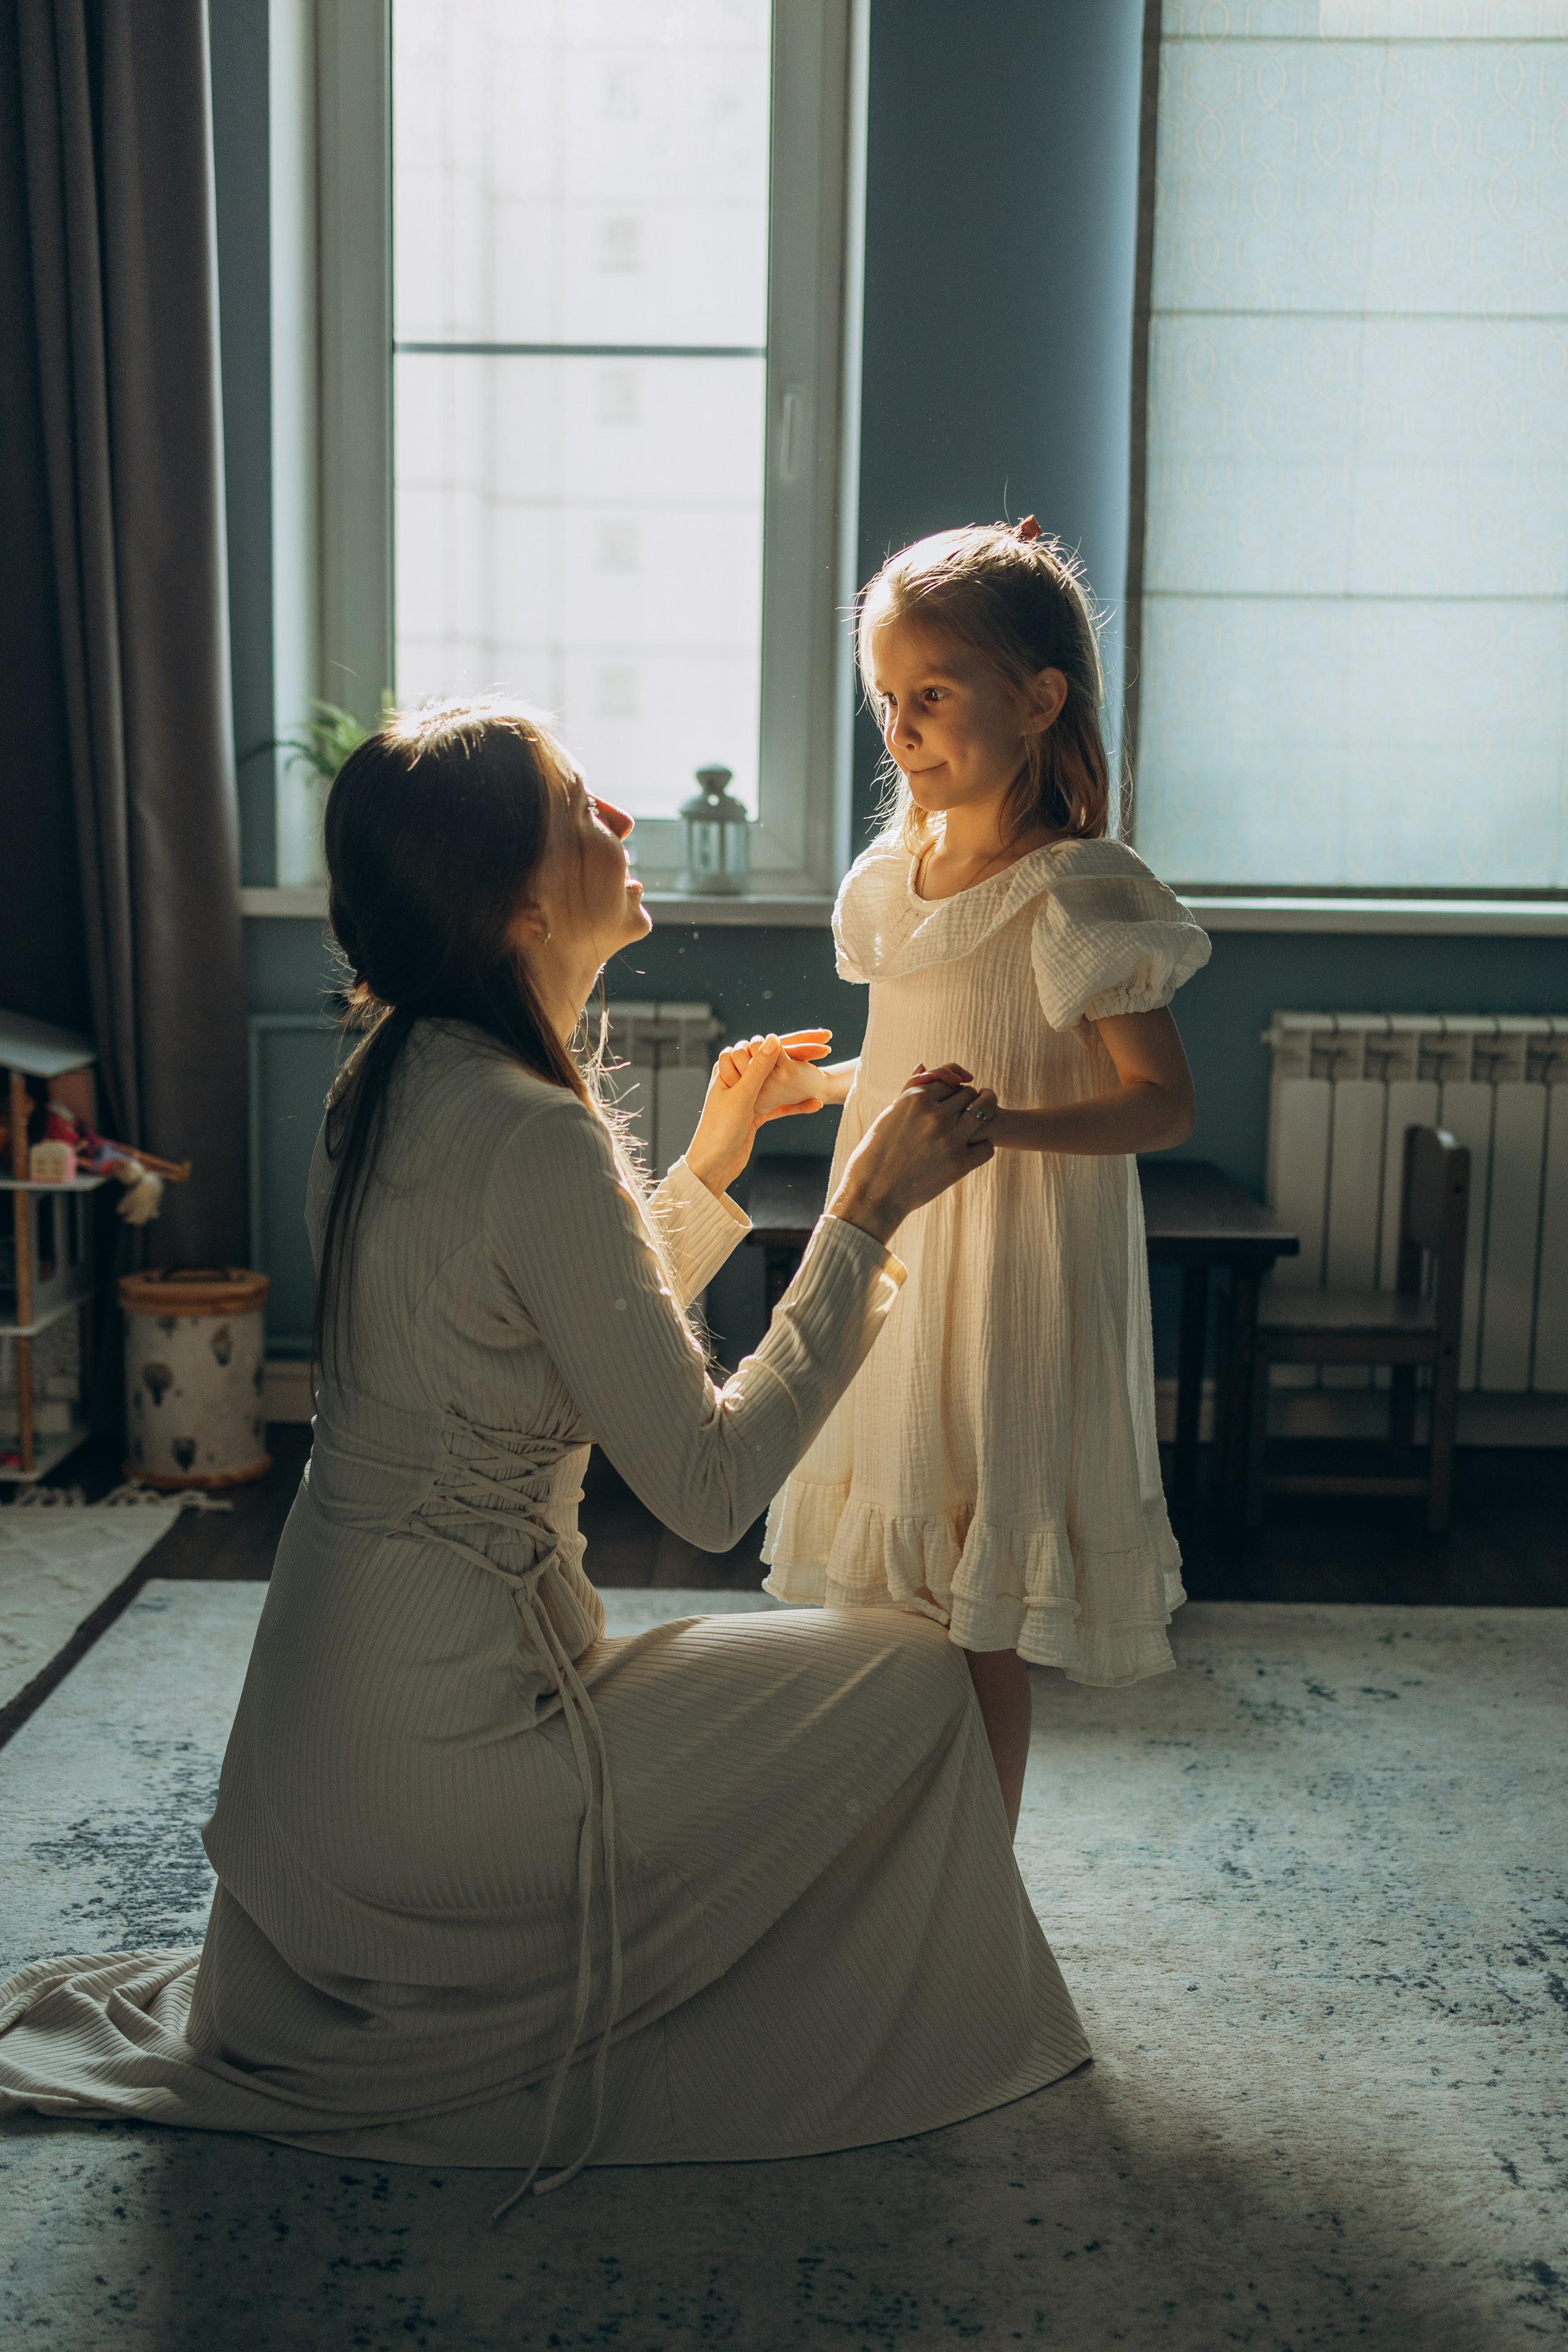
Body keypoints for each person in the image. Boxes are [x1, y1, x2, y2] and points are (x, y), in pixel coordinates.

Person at [0, 698, 1090, 2208]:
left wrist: (709, 1165)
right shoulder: (531, 1130)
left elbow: (535, 1335)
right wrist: (861, 1215)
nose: (619, 822)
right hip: (442, 1785)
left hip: (312, 1775)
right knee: (918, 1676)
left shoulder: (384, 1079)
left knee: (847, 1674)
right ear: (515, 901)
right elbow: (706, 1489)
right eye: (582, 809)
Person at [731, 519, 1212, 1834]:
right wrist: (812, 1089)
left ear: (1038, 699)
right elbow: (910, 1061)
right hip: (900, 1254)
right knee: (894, 1599)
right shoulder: (896, 881)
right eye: (886, 700)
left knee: (972, 1608)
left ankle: (976, 1878)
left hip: (1011, 1270)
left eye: (932, 695)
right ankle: (900, 1850)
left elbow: (1161, 1104)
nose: (900, 730)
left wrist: (1004, 1128)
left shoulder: (1079, 892)